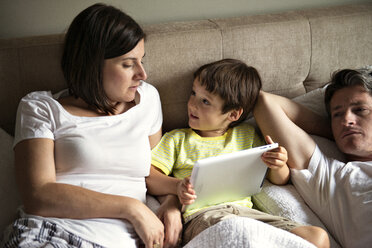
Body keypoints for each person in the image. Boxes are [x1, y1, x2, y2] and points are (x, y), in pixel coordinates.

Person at [1, 3, 182, 248]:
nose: (142, 74)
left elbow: (153, 172)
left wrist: (171, 204)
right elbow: (38, 196)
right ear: (92, 65)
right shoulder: (41, 107)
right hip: (52, 232)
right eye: (128, 64)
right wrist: (131, 208)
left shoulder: (148, 99)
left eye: (141, 61)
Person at [146, 59, 330, 248]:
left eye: (205, 101)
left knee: (318, 237)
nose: (192, 104)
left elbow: (279, 180)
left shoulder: (247, 136)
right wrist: (177, 187)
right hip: (205, 216)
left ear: (233, 115)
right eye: (193, 93)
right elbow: (149, 176)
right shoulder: (178, 139)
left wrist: (279, 164)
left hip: (247, 214)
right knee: (238, 233)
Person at [253, 68, 372, 248]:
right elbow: (264, 103)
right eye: (337, 114)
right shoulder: (332, 176)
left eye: (360, 109)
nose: (346, 119)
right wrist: (337, 131)